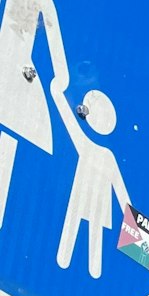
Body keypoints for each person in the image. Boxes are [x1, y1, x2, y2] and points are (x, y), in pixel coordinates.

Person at [0, 0, 63, 229]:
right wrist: (60, 80)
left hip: (22, 73)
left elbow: (54, 39)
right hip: (17, 67)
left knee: (9, 138)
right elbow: (57, 51)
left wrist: (60, 80)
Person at [53, 84, 130, 279]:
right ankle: (71, 265)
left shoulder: (104, 154)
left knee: (92, 235)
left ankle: (87, 271)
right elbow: (71, 125)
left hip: (95, 202)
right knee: (77, 230)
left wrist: (134, 226)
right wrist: (57, 96)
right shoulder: (97, 150)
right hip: (82, 197)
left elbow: (120, 190)